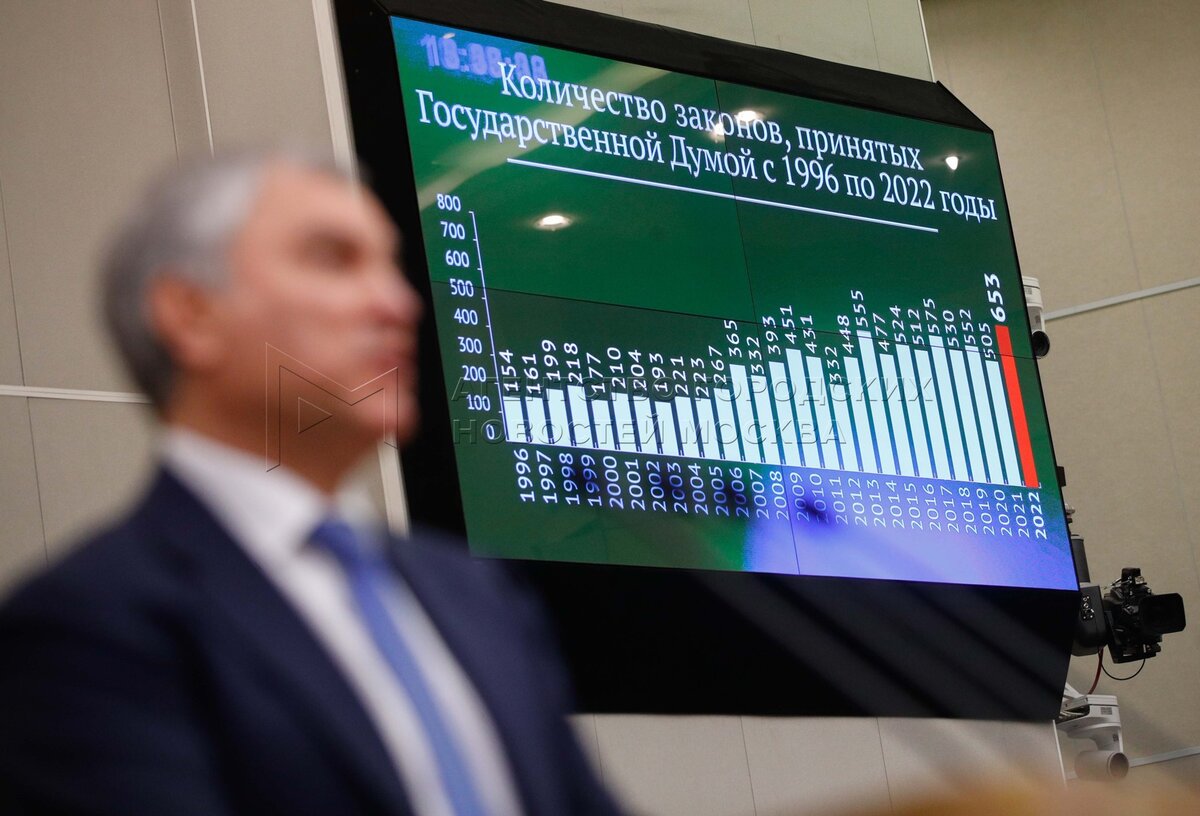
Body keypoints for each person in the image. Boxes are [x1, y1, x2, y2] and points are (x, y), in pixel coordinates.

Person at [0, 151, 621, 816]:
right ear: (191, 313)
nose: (399, 303)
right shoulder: (87, 625)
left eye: (390, 266)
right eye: (333, 260)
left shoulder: (476, 593)